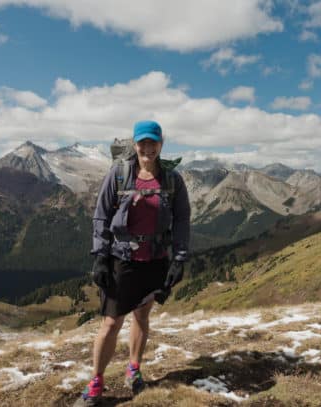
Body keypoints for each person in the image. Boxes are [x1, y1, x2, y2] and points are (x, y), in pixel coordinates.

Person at [76, 120, 190, 406]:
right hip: (122, 259)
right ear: (135, 144)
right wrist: (101, 256)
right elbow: (101, 216)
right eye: (143, 143)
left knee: (141, 316)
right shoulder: (119, 173)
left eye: (153, 142)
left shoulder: (173, 180)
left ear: (161, 144)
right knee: (111, 321)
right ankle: (96, 382)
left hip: (155, 260)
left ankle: (134, 370)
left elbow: (182, 221)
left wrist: (179, 258)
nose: (148, 148)